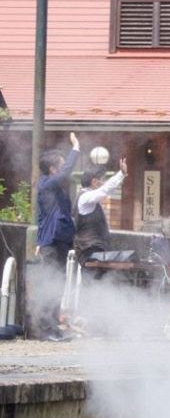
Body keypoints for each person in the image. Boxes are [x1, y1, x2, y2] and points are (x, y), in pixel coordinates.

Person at [32, 132, 80, 340]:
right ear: (53, 170)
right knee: (51, 284)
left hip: (58, 240)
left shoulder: (53, 186)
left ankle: (51, 326)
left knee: (57, 284)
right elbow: (67, 170)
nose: (65, 169)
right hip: (52, 241)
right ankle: (46, 329)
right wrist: (76, 148)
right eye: (61, 165)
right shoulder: (48, 183)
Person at [74, 158, 128, 265]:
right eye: (102, 180)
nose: (103, 183)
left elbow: (106, 190)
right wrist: (121, 174)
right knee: (91, 280)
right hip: (89, 248)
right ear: (94, 182)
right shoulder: (85, 197)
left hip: (92, 247)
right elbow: (105, 190)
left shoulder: (87, 196)